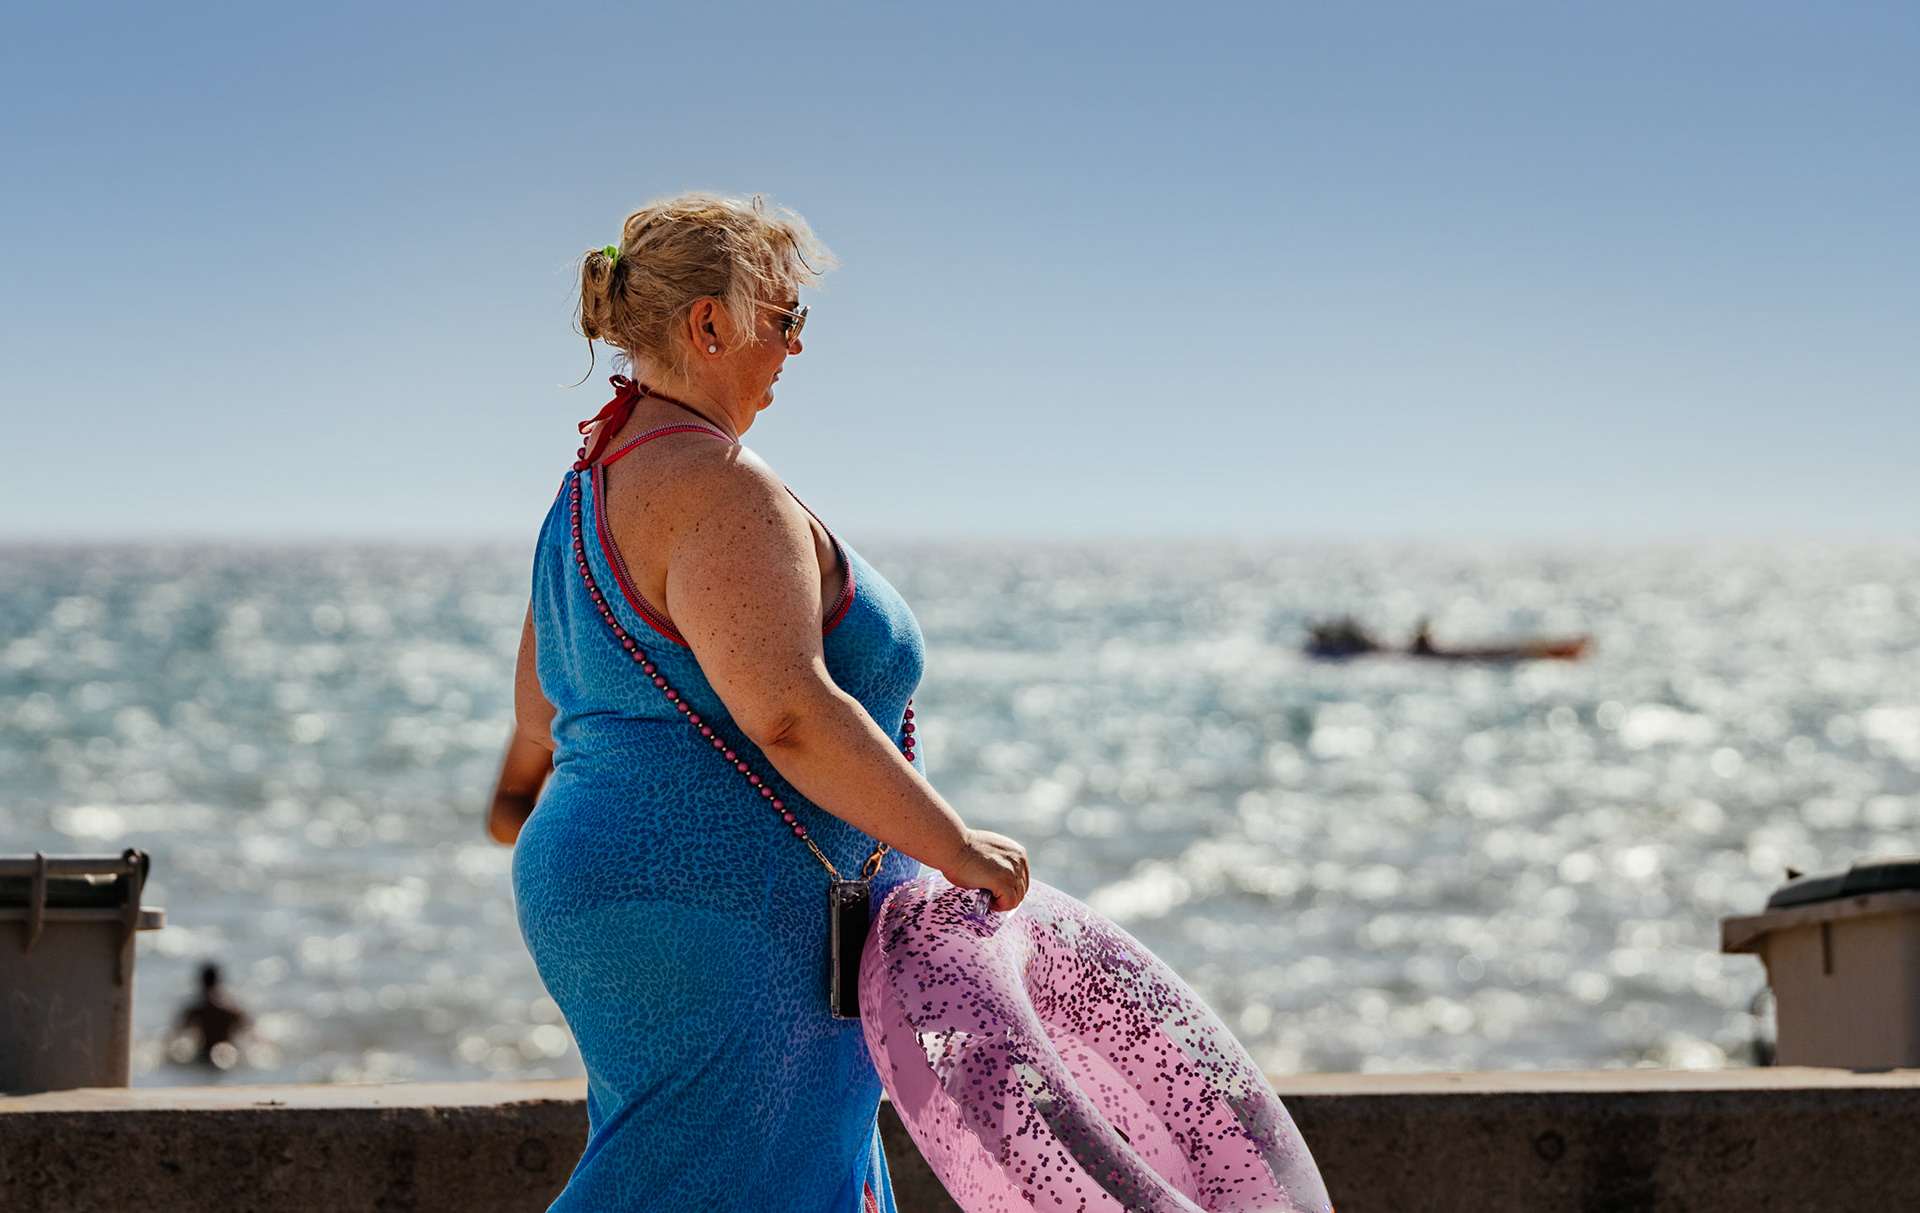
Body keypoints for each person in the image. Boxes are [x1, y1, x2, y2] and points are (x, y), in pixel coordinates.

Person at [507, 193, 1030, 1213]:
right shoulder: (718, 484)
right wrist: (956, 847)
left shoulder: (583, 492)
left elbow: (539, 717)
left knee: (703, 1178)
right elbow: (787, 709)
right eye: (786, 320)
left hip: (614, 893)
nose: (795, 351)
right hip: (724, 909)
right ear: (711, 323)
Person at [172, 962, 247, 1068]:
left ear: (201, 982)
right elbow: (247, 1032)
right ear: (217, 981)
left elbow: (176, 1035)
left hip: (204, 1056)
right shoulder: (230, 1011)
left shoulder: (196, 1011)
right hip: (228, 1055)